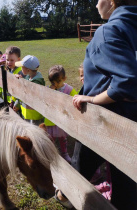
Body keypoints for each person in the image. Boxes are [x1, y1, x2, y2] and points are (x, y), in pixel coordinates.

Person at [57, 0, 137, 209]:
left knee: (79, 169)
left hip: (105, 121)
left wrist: (90, 98)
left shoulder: (108, 31)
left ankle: (65, 196)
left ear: (111, 2)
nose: (95, 5)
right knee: (127, 186)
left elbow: (127, 82)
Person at [43, 65, 77, 163]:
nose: (56, 84)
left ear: (64, 78)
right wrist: (50, 91)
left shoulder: (69, 89)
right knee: (50, 138)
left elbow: (75, 98)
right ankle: (50, 153)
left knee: (63, 137)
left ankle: (64, 153)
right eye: (53, 82)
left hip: (62, 119)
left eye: (58, 81)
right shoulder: (49, 89)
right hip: (51, 118)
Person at [14, 55, 45, 125]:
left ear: (28, 70)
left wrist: (20, 83)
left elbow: (25, 94)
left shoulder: (36, 83)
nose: (21, 69)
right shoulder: (29, 77)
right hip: (27, 114)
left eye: (22, 67)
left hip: (34, 117)